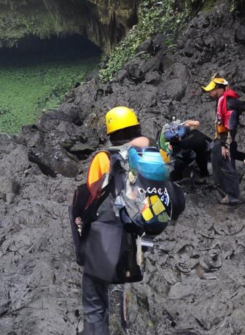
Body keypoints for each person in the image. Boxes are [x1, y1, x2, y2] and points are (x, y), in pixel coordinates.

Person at [71, 107, 185, 335]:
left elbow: (89, 197)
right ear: (137, 127)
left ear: (110, 133)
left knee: (95, 300)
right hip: (140, 236)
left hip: (106, 239)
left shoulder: (103, 158)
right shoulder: (151, 154)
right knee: (127, 299)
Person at [202, 74, 245, 205]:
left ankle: (233, 196)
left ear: (220, 89)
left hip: (227, 139)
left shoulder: (228, 103)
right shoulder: (221, 100)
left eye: (212, 90)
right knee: (217, 158)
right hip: (221, 138)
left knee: (227, 166)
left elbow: (230, 127)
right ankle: (223, 187)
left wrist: (225, 145)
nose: (210, 93)